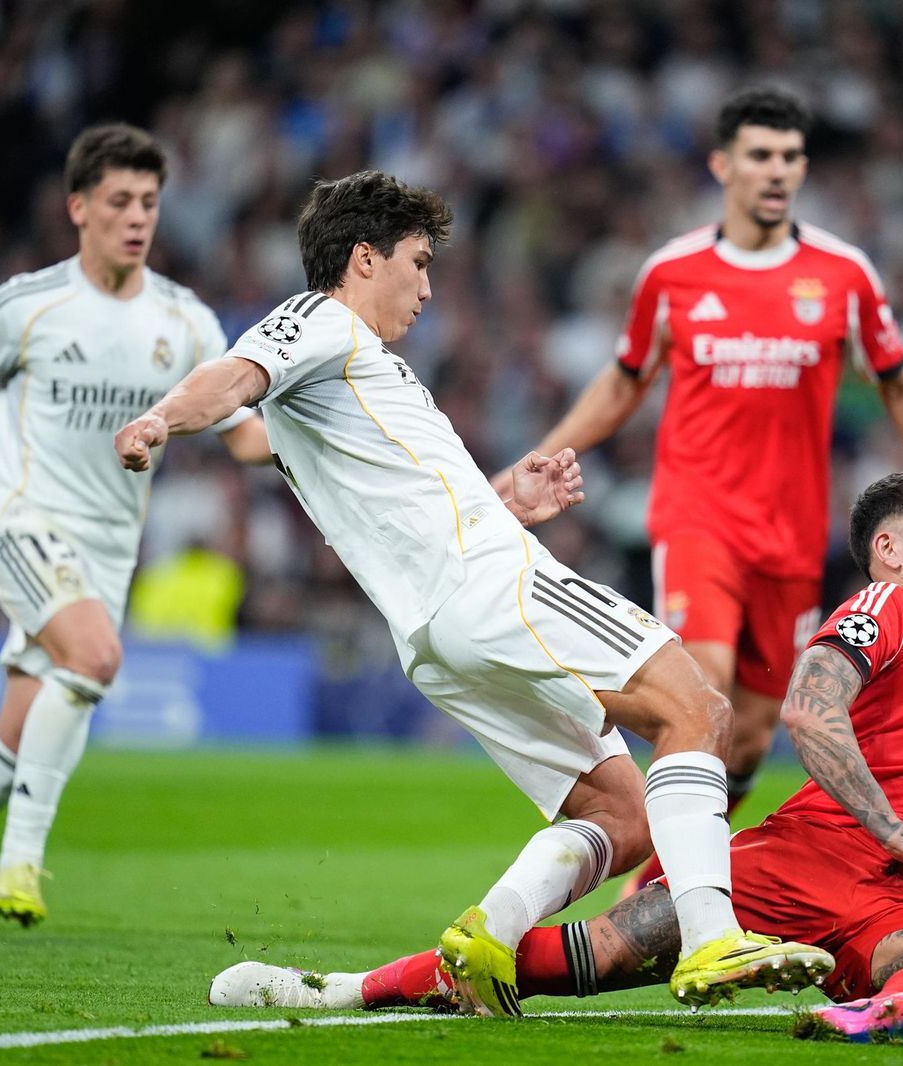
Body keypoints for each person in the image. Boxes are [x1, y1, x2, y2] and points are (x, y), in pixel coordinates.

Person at [113, 170, 830, 1018]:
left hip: (438, 630)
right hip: (494, 587)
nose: (426, 287)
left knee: (621, 812)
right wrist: (161, 419)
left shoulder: (356, 376)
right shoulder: (320, 321)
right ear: (364, 258)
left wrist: (508, 502)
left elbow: (400, 499)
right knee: (699, 713)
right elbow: (229, 378)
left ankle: (487, 937)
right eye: (417, 263)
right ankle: (713, 941)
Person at [209, 466, 903, 1046]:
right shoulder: (883, 609)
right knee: (598, 957)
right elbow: (807, 703)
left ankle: (871, 1020)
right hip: (798, 862)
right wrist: (889, 823)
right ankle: (341, 989)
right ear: (890, 549)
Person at [505, 89, 903, 876]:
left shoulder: (844, 274)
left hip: (793, 534)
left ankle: (664, 885)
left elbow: (900, 383)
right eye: (761, 155)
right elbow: (626, 379)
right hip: (698, 518)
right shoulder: (674, 272)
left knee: (758, 729)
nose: (778, 171)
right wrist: (544, 453)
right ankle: (570, 724)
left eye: (791, 157)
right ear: (723, 165)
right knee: (708, 694)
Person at [0, 124, 271, 934]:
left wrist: (319, 444)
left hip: (107, 551)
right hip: (19, 518)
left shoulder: (187, 322)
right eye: (120, 200)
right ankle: (19, 861)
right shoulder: (29, 305)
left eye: (149, 203)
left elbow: (244, 435)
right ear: (78, 207)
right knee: (95, 657)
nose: (137, 217)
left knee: (18, 733)